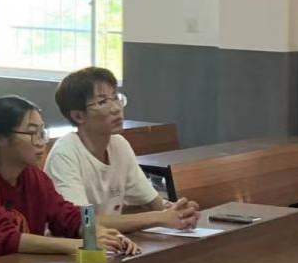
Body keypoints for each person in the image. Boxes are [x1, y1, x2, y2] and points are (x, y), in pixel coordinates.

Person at [0, 96, 140, 263]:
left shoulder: (33, 175)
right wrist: (80, 244)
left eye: (41, 132)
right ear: (0, 138)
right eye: (31, 133)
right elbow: (4, 237)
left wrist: (98, 233)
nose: (41, 142)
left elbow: (67, 214)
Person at [44, 67, 199, 232]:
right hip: (71, 244)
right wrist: (159, 218)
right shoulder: (64, 155)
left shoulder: (119, 145)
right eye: (103, 102)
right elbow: (83, 221)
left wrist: (178, 211)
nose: (116, 108)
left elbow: (151, 201)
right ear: (78, 116)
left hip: (111, 242)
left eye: (115, 98)